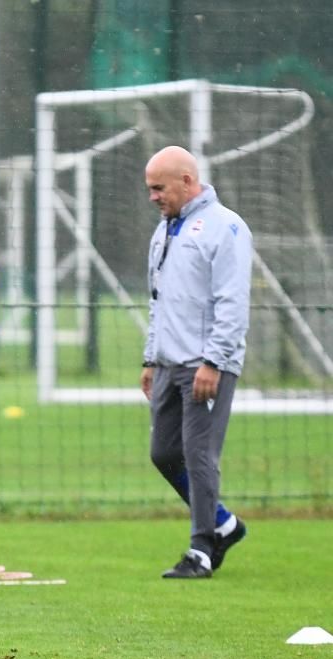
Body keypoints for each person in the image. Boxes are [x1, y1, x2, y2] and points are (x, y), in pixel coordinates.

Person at [142, 146, 251, 579]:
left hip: (206, 365)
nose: (152, 196)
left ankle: (202, 549)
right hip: (168, 363)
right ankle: (224, 523)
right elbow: (158, 301)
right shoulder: (164, 229)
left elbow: (233, 302)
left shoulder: (226, 227)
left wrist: (215, 361)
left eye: (158, 188)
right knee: (163, 453)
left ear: (187, 181)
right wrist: (151, 358)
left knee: (199, 454)